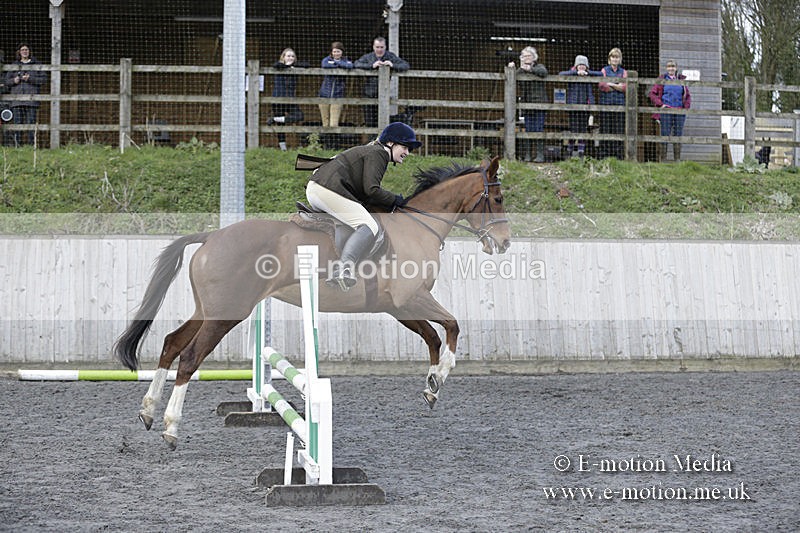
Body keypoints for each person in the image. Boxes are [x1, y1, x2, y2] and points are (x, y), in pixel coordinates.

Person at [305, 122, 421, 291]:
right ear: (390, 143)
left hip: (320, 189)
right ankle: (343, 269)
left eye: (409, 149)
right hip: (327, 190)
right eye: (405, 147)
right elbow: (371, 190)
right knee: (369, 225)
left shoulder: (373, 150)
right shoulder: (379, 153)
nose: (407, 153)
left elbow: (366, 192)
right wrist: (398, 200)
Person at [354, 37, 410, 128]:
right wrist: (371, 65)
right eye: (377, 47)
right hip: (369, 94)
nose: (379, 49)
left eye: (381, 47)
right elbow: (356, 64)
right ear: (373, 47)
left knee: (382, 121)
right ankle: (372, 141)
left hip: (383, 94)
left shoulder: (390, 56)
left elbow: (405, 65)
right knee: (369, 121)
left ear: (385, 47)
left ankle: (381, 141)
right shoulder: (368, 57)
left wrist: (392, 65)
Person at [558, 55, 602, 158]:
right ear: (576, 65)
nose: (581, 67)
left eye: (583, 65)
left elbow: (600, 74)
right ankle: (570, 149)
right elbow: (561, 74)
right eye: (579, 65)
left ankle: (581, 151)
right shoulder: (571, 73)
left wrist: (587, 73)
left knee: (583, 128)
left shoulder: (588, 75)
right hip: (573, 107)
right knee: (573, 128)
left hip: (585, 107)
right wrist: (576, 73)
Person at [509, 46, 548, 162]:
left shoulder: (539, 67)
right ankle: (528, 155)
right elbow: (513, 77)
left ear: (534, 57)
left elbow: (544, 73)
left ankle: (540, 155)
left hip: (540, 104)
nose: (527, 58)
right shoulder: (521, 70)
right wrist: (513, 68)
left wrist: (530, 69)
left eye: (529, 56)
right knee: (528, 129)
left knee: (538, 129)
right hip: (526, 104)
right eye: (524, 56)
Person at [648, 59, 691, 161]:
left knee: (678, 135)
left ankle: (677, 160)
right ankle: (663, 160)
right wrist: (661, 104)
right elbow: (652, 94)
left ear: (676, 68)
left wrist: (686, 108)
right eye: (669, 67)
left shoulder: (681, 81)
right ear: (666, 68)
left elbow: (687, 96)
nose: (671, 69)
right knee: (665, 134)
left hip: (679, 111)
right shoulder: (662, 80)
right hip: (666, 111)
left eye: (673, 67)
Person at [5, 43, 47, 146]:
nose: (25, 51)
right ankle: (17, 146)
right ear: (19, 52)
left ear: (29, 52)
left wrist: (30, 79)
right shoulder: (14, 65)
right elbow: (6, 81)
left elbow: (44, 79)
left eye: (26, 50)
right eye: (22, 50)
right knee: (17, 124)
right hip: (16, 101)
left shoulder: (36, 65)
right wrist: (14, 80)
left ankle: (31, 146)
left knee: (31, 124)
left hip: (31, 101)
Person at [267, 48, 308, 151]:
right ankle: (283, 148)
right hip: (278, 99)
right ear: (283, 57)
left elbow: (307, 64)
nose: (290, 58)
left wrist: (293, 66)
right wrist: (288, 66)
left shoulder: (295, 67)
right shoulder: (279, 66)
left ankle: (274, 119)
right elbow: (276, 65)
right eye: (288, 56)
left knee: (299, 116)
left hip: (290, 100)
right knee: (281, 126)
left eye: (292, 56)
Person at [598, 47, 627, 159]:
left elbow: (625, 87)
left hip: (619, 105)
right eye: (613, 57)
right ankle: (604, 156)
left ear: (620, 59)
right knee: (605, 129)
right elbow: (602, 85)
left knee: (618, 130)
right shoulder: (604, 70)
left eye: (617, 57)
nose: (615, 59)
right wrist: (617, 85)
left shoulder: (624, 72)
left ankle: (618, 156)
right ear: (609, 59)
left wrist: (611, 84)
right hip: (606, 104)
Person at [319, 42, 353, 129]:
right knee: (325, 123)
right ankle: (326, 142)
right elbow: (324, 64)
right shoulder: (327, 59)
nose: (336, 53)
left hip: (338, 95)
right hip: (324, 95)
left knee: (333, 124)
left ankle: (333, 142)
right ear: (331, 52)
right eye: (334, 51)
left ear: (342, 52)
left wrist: (335, 63)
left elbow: (350, 65)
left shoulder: (346, 60)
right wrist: (338, 65)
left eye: (338, 51)